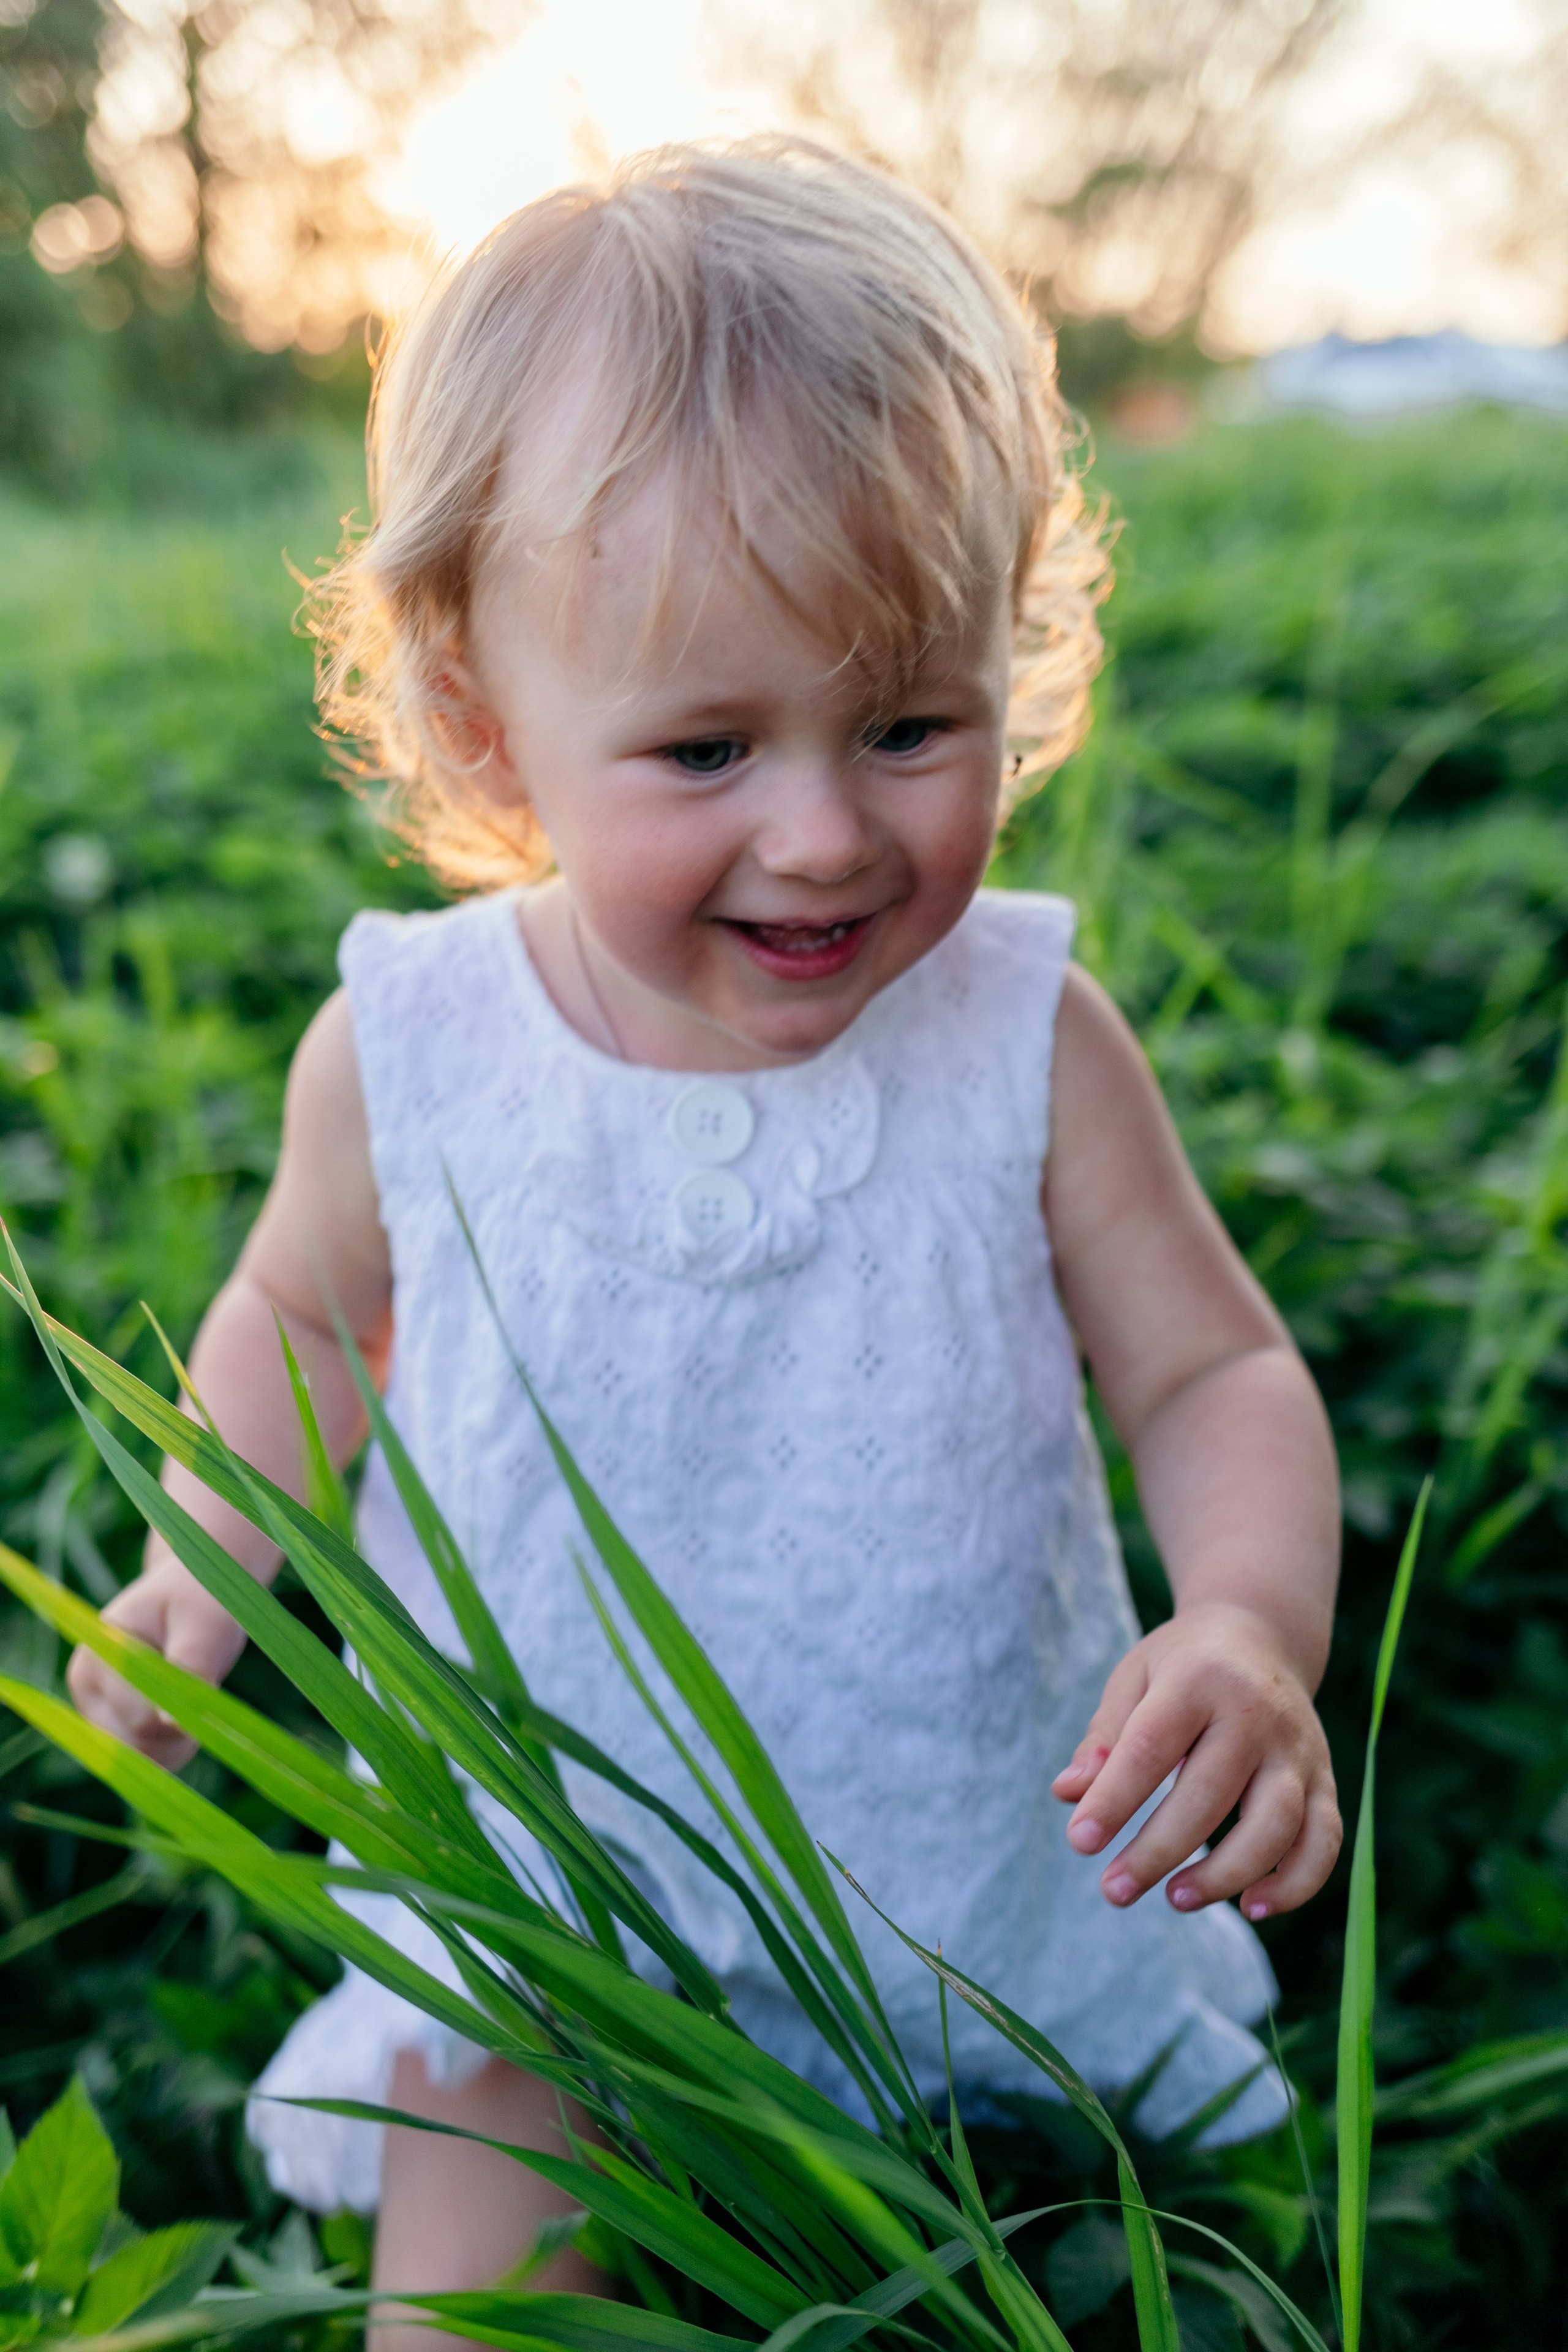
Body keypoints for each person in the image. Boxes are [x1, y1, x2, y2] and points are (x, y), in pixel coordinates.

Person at [67, 137, 1341, 2347]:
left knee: (1130, 2269)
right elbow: (303, 1309)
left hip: (971, 1875)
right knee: (473, 2279)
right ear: (486, 715)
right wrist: (213, 1549)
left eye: (911, 724)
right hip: (560, 1910)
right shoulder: (416, 1046)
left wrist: (1244, 1626)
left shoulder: (1025, 1036)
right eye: (707, 746)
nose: (829, 830)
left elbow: (1209, 1370)